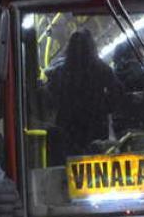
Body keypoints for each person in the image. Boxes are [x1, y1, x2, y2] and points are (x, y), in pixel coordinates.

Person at [43, 29, 123, 162]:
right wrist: (102, 107)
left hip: (68, 128)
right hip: (96, 127)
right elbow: (118, 93)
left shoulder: (60, 71)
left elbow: (50, 98)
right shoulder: (101, 68)